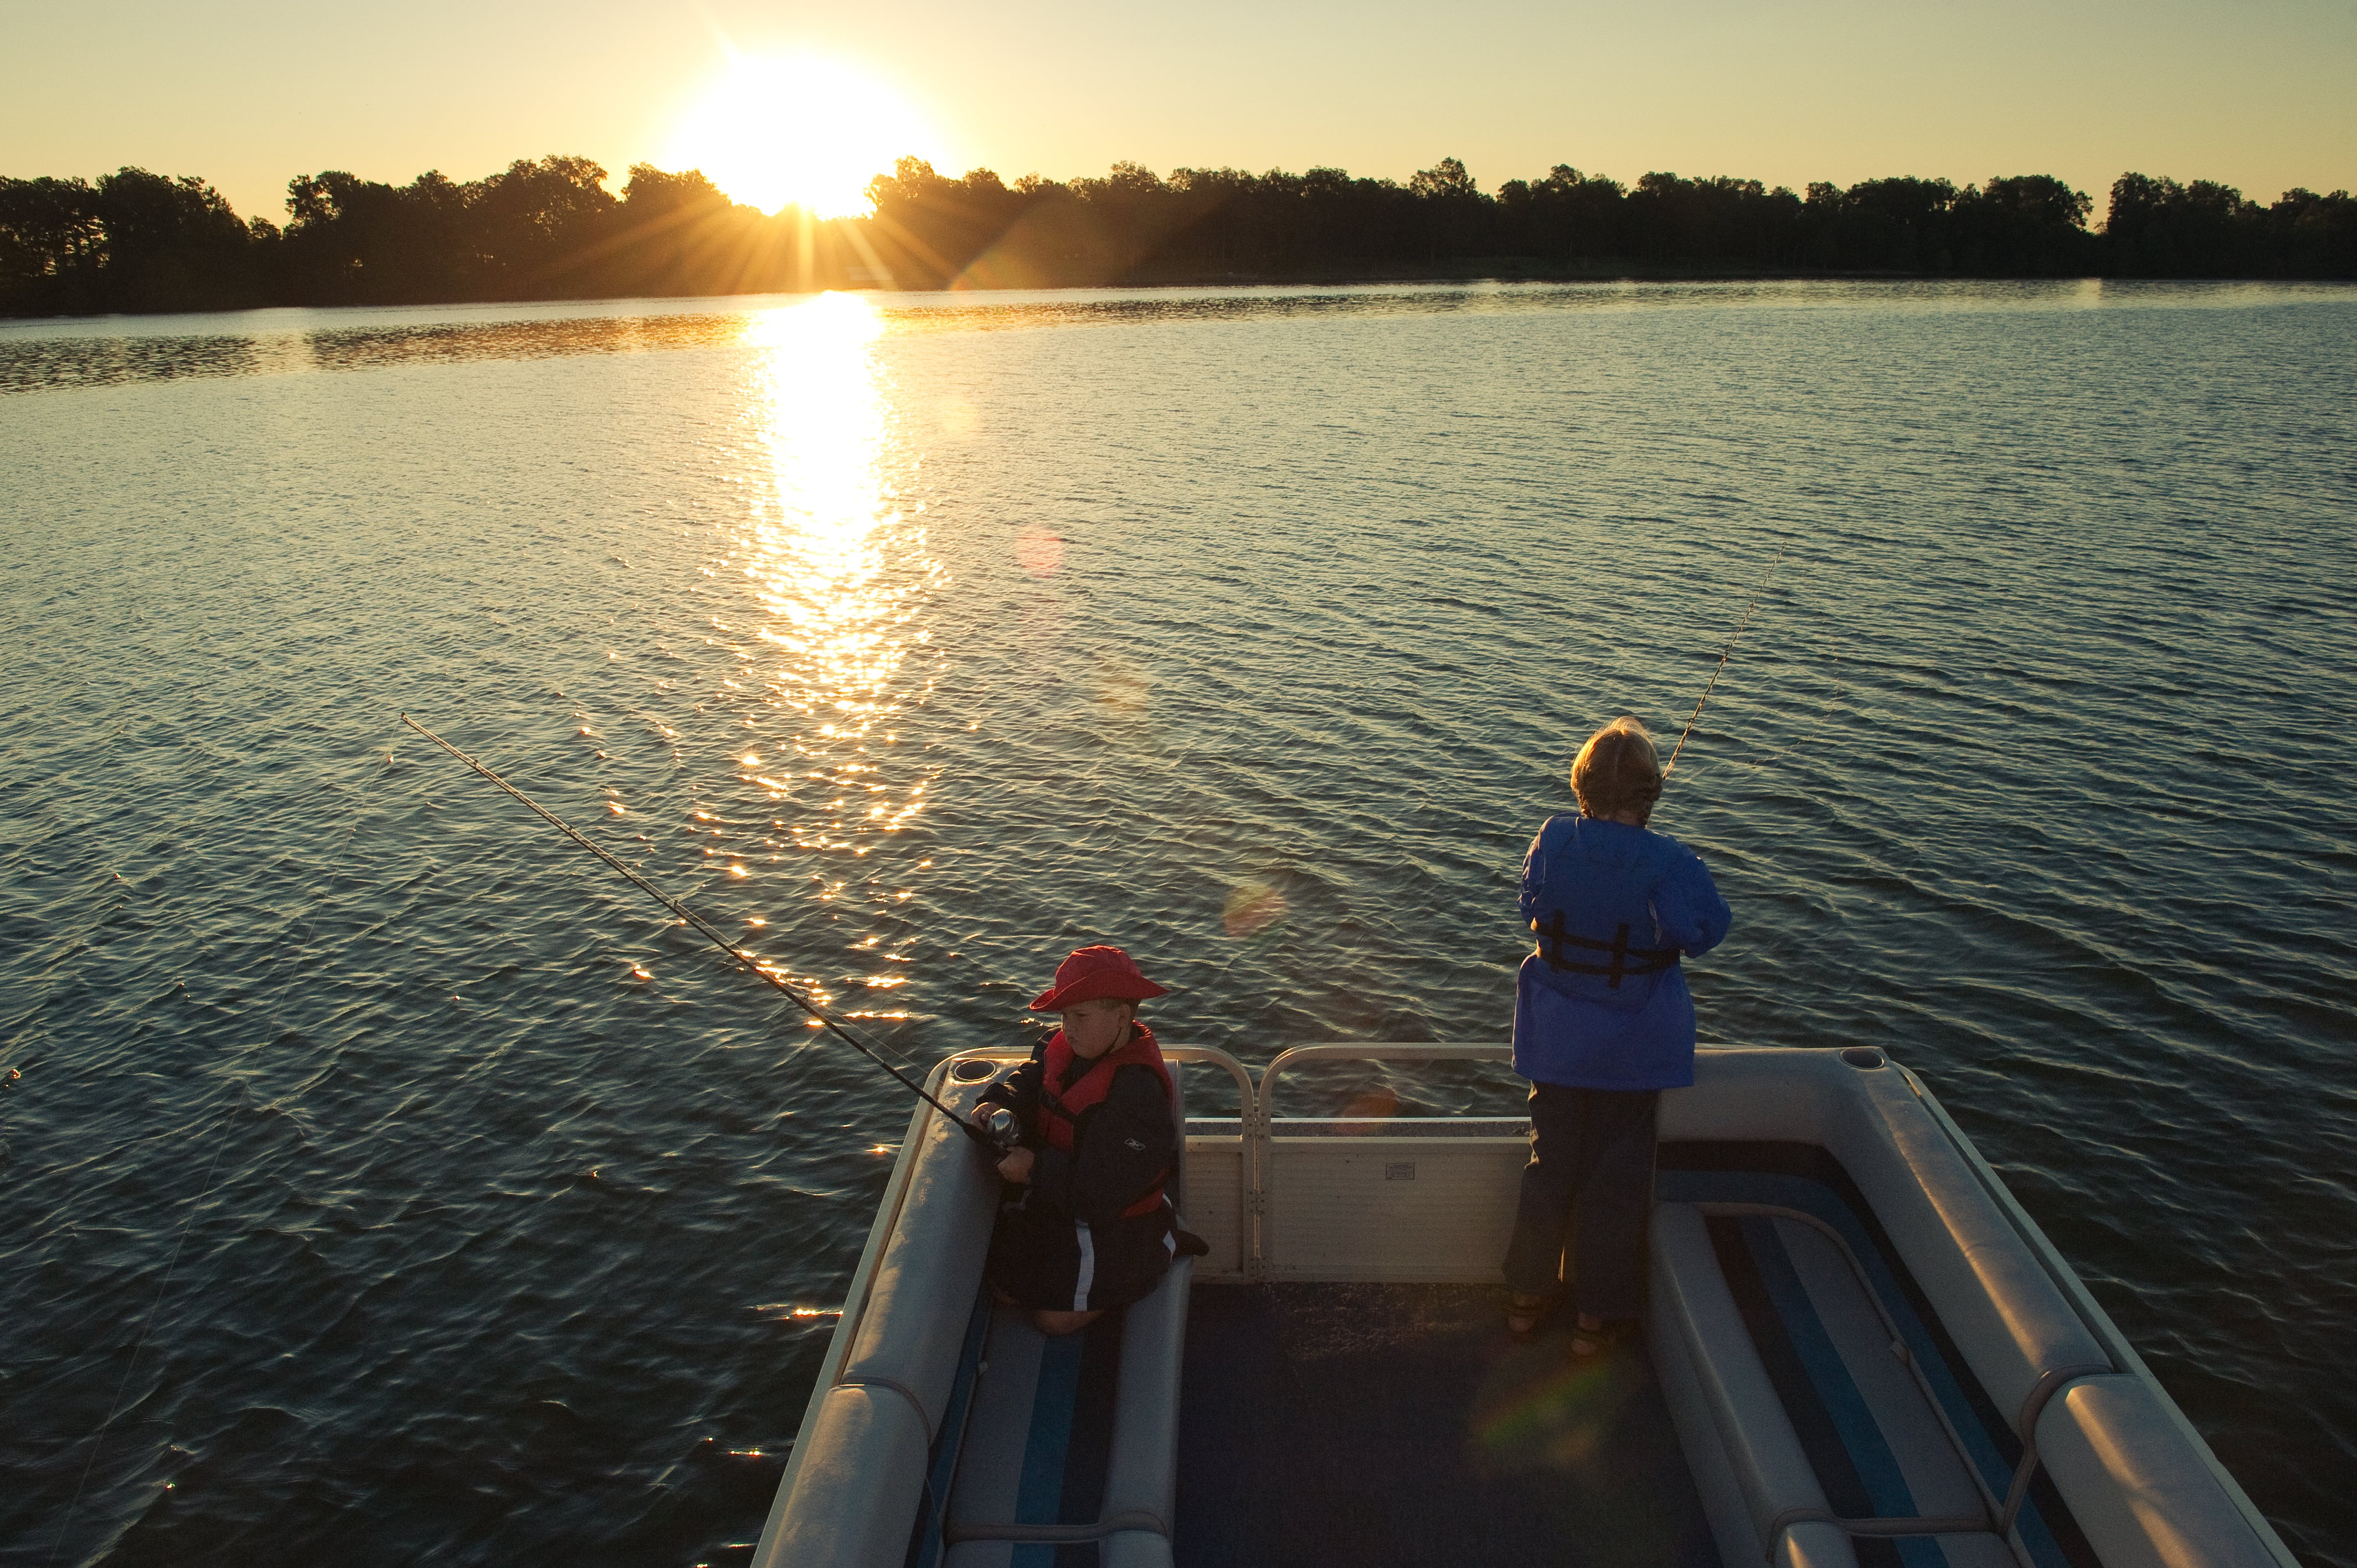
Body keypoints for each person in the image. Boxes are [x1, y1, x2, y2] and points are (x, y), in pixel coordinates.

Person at [1504, 716, 1731, 1357]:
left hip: (1554, 1041)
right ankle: (1595, 1319)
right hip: (1634, 1050)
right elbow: (1707, 932)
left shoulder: (1550, 838)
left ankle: (1524, 1298)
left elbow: (1529, 907)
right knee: (1614, 1182)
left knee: (1548, 1167)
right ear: (1649, 794)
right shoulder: (1672, 863)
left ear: (1579, 786)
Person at [976, 945, 1182, 1336]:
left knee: (1051, 1322)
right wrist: (998, 1103)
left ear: (1122, 1017)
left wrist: (1035, 1169)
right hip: (1063, 1199)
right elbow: (1032, 1080)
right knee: (1004, 1289)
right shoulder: (1063, 1047)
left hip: (1118, 1225)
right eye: (1065, 1015)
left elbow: (1104, 1192)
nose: (1068, 1027)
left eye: (1081, 1016)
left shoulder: (1138, 1093)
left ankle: (1162, 1248)